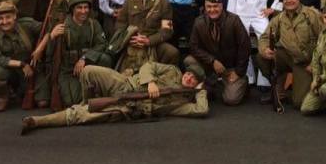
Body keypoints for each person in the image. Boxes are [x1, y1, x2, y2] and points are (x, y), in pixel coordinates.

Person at [20, 61, 208, 135]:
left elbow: (201, 110)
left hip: (129, 106)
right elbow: (148, 66)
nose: (189, 78)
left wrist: (201, 91)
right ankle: (86, 101)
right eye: (189, 74)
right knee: (88, 71)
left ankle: (37, 122)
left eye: (194, 80)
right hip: (125, 84)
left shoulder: (181, 102)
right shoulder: (173, 70)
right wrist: (150, 82)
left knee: (82, 116)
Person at [38, 0, 112, 108]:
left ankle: (99, 88)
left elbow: (102, 44)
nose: (83, 11)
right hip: (68, 70)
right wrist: (52, 37)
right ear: (72, 9)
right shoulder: (61, 25)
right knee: (73, 101)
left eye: (86, 7)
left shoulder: (94, 24)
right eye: (79, 8)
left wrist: (85, 58)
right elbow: (49, 54)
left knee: (105, 59)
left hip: (88, 66)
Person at [256, 0, 323, 109]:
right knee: (261, 58)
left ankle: (316, 88)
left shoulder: (311, 15)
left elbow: (324, 40)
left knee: (299, 103)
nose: (289, 1)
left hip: (305, 63)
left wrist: (315, 64)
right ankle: (278, 89)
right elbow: (265, 37)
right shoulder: (279, 18)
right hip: (286, 57)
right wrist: (265, 49)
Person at [227, 0, 283, 86]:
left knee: (266, 44)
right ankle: (247, 75)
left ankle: (264, 80)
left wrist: (273, 8)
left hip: (260, 15)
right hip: (241, 15)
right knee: (242, 45)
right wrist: (231, 17)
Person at [185, 0, 251, 105]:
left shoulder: (234, 20)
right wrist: (212, 61)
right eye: (209, 7)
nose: (212, 10)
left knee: (231, 100)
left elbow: (245, 46)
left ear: (222, 6)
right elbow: (193, 47)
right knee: (189, 60)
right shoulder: (199, 22)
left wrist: (239, 72)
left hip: (230, 68)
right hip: (210, 67)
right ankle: (211, 84)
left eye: (215, 6)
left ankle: (242, 82)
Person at [109, 0, 179, 74]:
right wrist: (129, 38)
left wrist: (148, 41)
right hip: (132, 41)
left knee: (172, 52)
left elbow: (167, 30)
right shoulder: (130, 0)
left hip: (152, 43)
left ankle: (162, 77)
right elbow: (120, 24)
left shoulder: (163, 3)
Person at [0, 1, 48, 112]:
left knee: (43, 103)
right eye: (0, 18)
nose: (4, 22)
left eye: (8, 17)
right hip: (10, 69)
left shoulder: (27, 24)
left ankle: (23, 92)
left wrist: (40, 48)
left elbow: (48, 29)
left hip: (33, 68)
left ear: (14, 16)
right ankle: (3, 97)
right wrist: (21, 64)